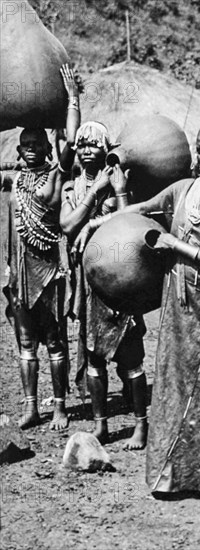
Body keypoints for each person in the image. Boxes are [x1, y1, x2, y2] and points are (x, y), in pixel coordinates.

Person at [73, 117, 200, 507]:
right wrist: (99, 221)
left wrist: (176, 246)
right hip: (178, 303)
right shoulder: (183, 190)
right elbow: (140, 208)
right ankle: (181, 472)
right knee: (175, 385)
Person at [60, 121, 148, 450]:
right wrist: (95, 193)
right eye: (81, 144)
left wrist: (96, 221)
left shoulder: (119, 180)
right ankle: (101, 425)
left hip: (119, 274)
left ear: (106, 148)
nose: (85, 150)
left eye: (94, 145)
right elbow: (68, 225)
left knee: (129, 354)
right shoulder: (72, 187)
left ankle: (140, 425)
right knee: (94, 354)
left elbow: (128, 217)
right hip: (87, 279)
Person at [3, 64, 79, 431]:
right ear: (18, 150)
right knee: (25, 343)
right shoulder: (14, 181)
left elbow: (72, 142)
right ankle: (32, 407)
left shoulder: (55, 175)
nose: (31, 151)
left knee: (55, 341)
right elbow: (10, 233)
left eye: (38, 146)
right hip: (19, 271)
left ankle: (61, 407)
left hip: (48, 269)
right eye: (26, 146)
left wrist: (73, 100)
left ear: (47, 148)